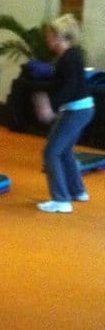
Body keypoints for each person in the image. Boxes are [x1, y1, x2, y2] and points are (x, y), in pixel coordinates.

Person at [35, 13, 94, 213]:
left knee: (51, 152)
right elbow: (62, 83)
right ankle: (78, 191)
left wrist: (50, 107)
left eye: (50, 35)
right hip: (81, 109)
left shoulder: (69, 58)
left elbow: (70, 87)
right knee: (65, 150)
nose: (47, 39)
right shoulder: (70, 56)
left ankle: (61, 200)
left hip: (76, 111)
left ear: (61, 36)